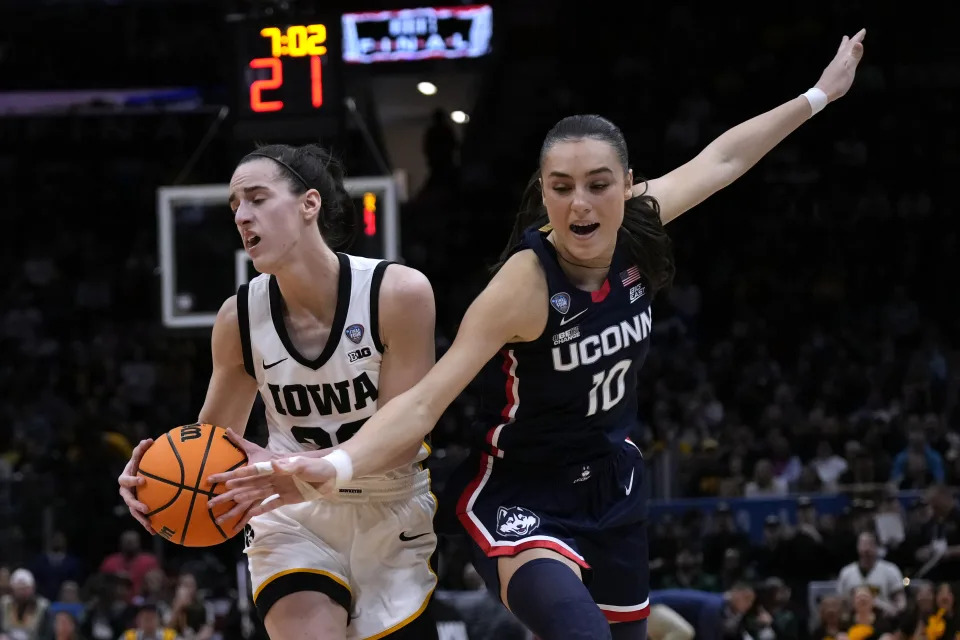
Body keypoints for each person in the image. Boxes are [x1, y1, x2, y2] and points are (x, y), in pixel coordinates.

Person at [211, 30, 867, 640]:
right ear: (544, 195)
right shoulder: (522, 286)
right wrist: (329, 465)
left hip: (614, 487)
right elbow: (421, 403)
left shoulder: (638, 225)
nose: (580, 204)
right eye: (562, 188)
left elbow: (723, 157)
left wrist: (818, 95)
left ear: (628, 188)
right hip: (523, 496)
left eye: (598, 186)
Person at [117, 143, 440, 640]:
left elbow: (400, 439)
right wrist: (156, 479)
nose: (243, 216)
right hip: (291, 515)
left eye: (257, 198)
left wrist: (312, 472)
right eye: (235, 206)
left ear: (309, 204)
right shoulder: (238, 318)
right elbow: (212, 441)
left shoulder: (398, 294)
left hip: (389, 507)